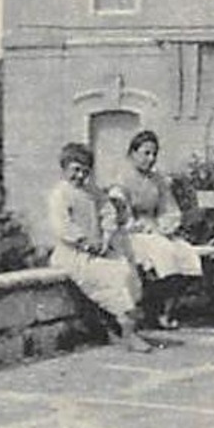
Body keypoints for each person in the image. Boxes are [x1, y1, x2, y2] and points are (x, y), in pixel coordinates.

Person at [46, 143, 151, 353]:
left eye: (84, 171)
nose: (79, 175)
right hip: (72, 253)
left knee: (125, 270)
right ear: (65, 168)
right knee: (111, 277)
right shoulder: (60, 193)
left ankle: (123, 328)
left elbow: (108, 212)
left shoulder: (91, 190)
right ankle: (128, 333)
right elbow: (62, 226)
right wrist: (84, 242)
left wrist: (105, 238)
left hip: (96, 250)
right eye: (75, 169)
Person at [109, 129, 206, 329]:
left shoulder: (158, 180)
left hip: (155, 230)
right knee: (164, 251)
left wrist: (164, 226)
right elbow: (119, 212)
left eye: (154, 154)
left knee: (184, 251)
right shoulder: (121, 178)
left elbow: (168, 209)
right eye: (146, 153)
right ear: (133, 153)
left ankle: (167, 309)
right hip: (131, 233)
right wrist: (138, 225)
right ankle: (155, 310)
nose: (151, 159)